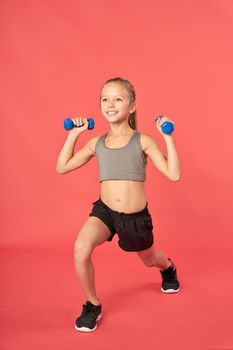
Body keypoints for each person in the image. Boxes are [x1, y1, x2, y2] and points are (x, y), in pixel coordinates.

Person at [56, 77, 181, 333]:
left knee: (149, 259)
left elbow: (174, 174)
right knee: (81, 247)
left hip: (134, 218)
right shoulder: (97, 143)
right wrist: (74, 134)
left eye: (118, 99)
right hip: (105, 212)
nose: (110, 104)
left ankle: (168, 267)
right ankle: (92, 304)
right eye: (105, 99)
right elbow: (62, 167)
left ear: (131, 106)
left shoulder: (142, 140)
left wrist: (167, 138)